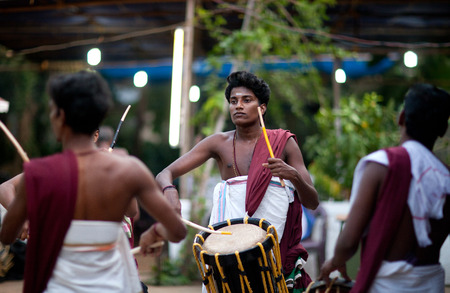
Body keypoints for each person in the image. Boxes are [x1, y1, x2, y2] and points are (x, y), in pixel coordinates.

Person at [0, 70, 187, 293]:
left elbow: (7, 235)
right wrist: (156, 232)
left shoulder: (38, 173)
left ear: (59, 118)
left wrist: (23, 221)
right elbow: (177, 231)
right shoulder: (129, 169)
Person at [156, 71, 319, 291]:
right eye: (233, 101)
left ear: (262, 108)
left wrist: (294, 176)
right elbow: (164, 173)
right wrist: (170, 191)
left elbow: (312, 202)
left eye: (246, 100)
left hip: (271, 250)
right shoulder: (218, 143)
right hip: (228, 247)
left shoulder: (283, 143)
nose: (238, 106)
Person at [318, 84, 450, 292]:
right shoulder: (445, 175)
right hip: (432, 283)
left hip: (386, 286)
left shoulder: (382, 165)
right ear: (443, 129)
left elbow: (349, 241)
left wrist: (335, 261)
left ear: (401, 118)